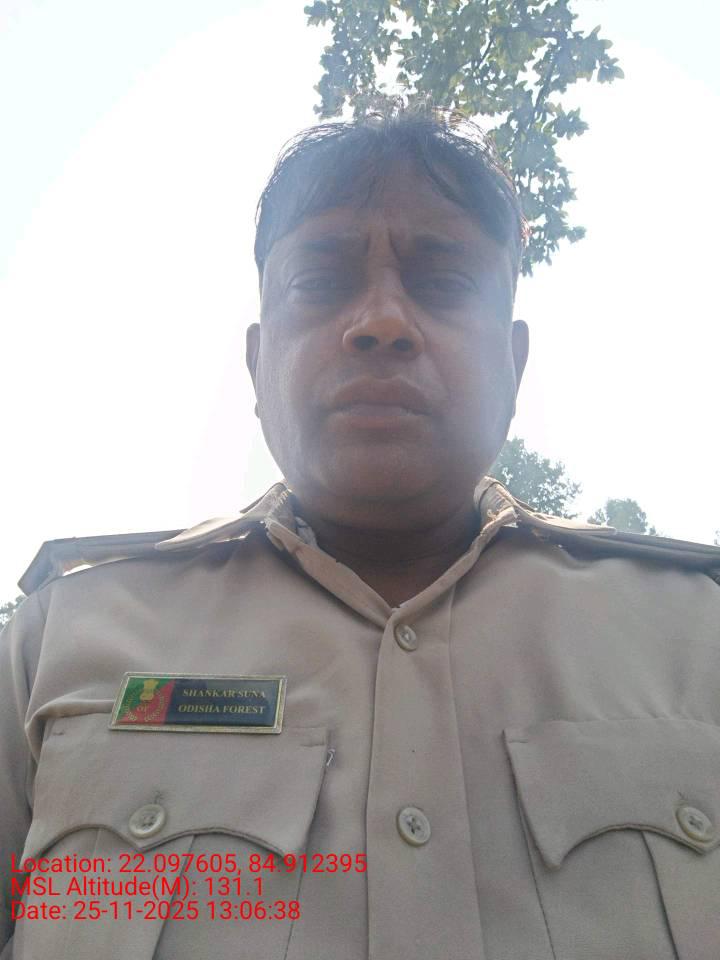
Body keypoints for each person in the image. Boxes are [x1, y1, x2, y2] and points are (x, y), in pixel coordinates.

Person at [2, 103, 720, 960]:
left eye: (444, 282)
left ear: (514, 363)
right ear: (257, 363)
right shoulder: (58, 640)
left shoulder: (696, 633)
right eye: (319, 281)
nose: (382, 320)